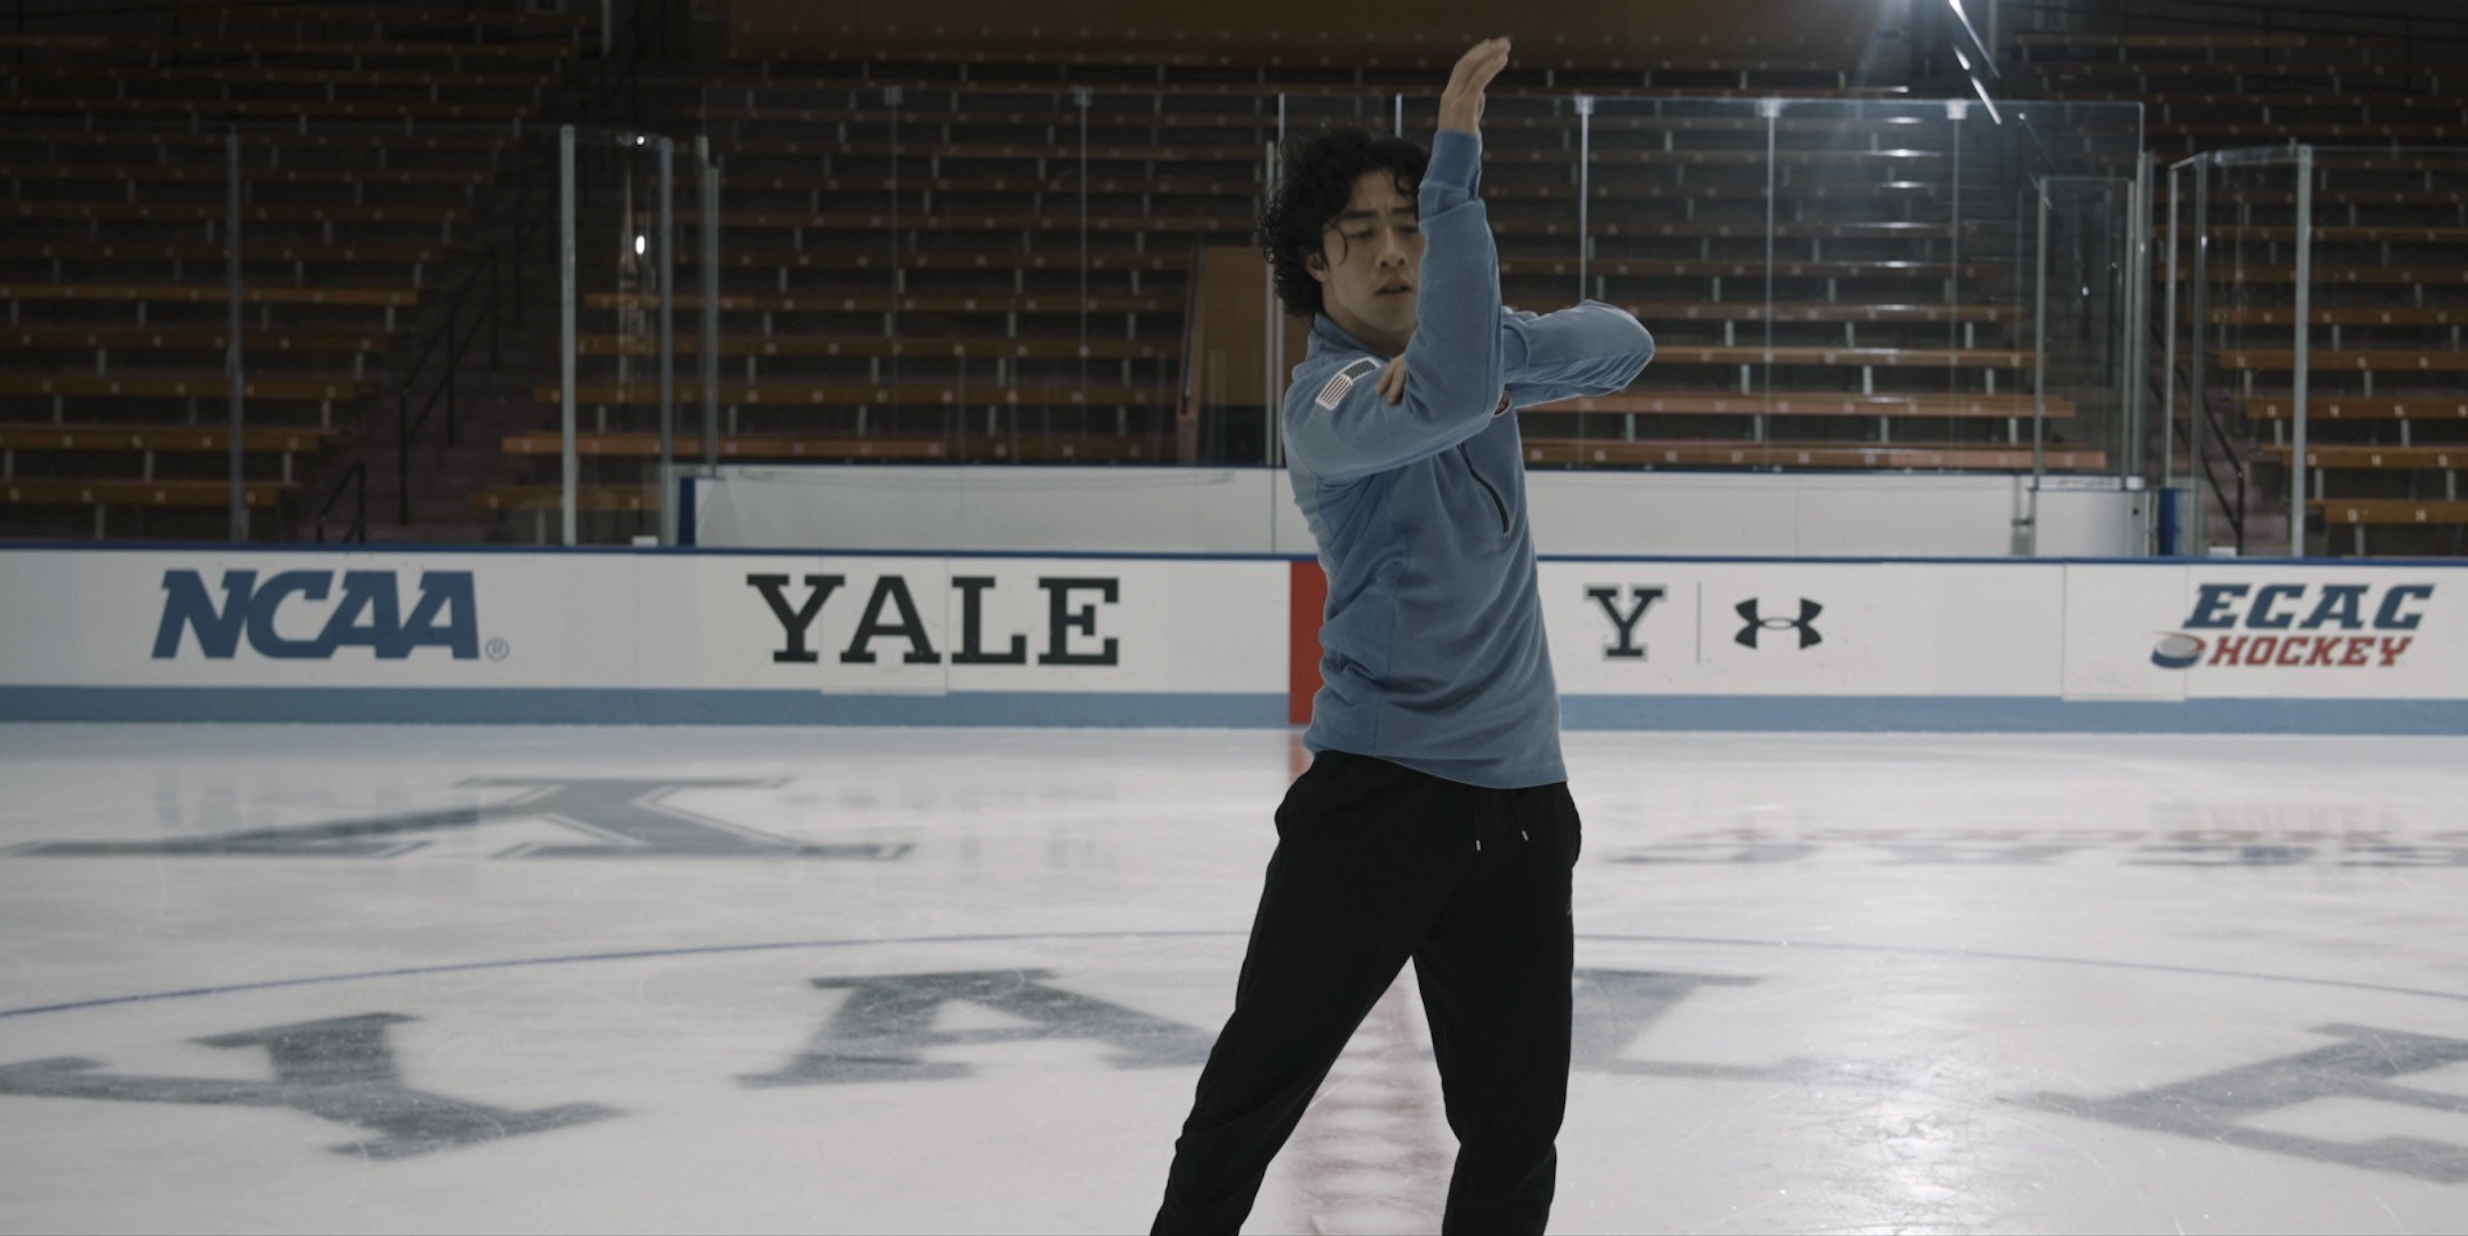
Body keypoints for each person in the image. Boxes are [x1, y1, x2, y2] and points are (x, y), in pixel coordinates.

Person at [1151, 37, 1656, 1236]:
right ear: (1311, 263)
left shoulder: (1460, 361)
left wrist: (1481, 354)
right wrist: (1454, 170)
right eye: (1358, 233)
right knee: (1249, 1096)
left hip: (1520, 800)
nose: (1390, 251)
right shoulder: (1320, 404)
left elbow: (1623, 344)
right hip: (1377, 801)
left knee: (1513, 1130)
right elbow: (1438, 400)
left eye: (1411, 226)